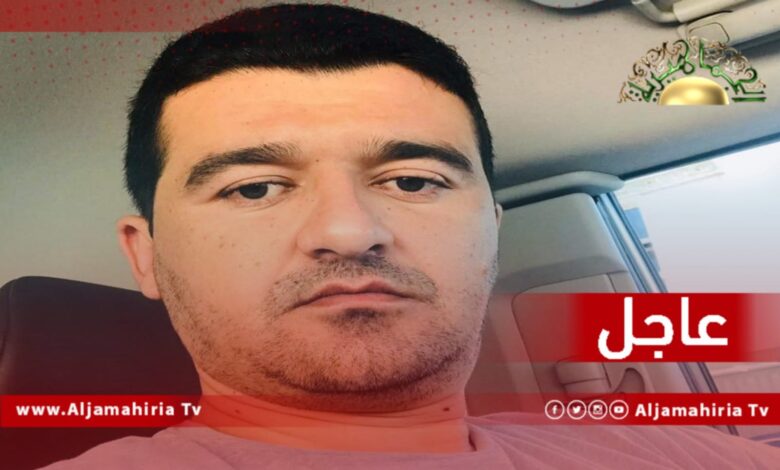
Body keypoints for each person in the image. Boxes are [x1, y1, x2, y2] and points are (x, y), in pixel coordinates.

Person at [44, 3, 780, 469]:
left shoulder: (688, 456)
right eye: (255, 188)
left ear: (492, 231)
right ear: (146, 255)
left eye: (413, 180)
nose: (348, 231)